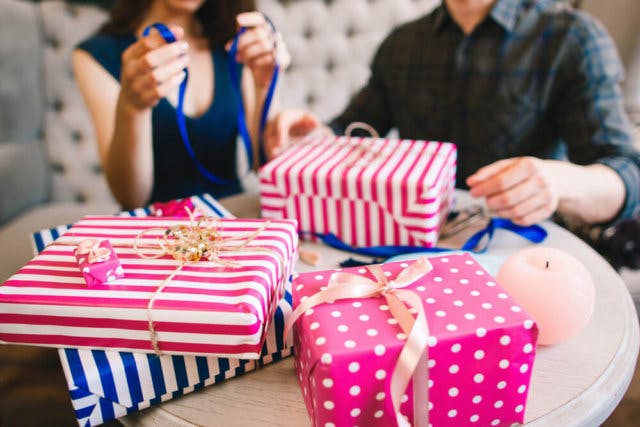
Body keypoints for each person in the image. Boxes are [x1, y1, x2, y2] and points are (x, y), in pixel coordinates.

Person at [264, 0, 640, 228]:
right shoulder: (402, 43)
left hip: (522, 244)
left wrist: (558, 183)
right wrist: (313, 141)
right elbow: (354, 131)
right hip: (410, 241)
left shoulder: (572, 38)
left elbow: (626, 174)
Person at [74, 0, 288, 209]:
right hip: (154, 234)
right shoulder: (96, 54)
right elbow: (131, 199)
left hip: (231, 221)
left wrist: (266, 85)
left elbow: (263, 166)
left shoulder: (234, 43)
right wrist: (133, 108)